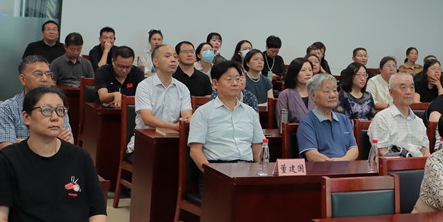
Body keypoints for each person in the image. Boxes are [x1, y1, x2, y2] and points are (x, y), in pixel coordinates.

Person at [0, 86, 107, 222]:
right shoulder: (7, 160)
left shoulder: (81, 157)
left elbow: (98, 212)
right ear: (26, 117)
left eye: (60, 110)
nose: (55, 117)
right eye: (46, 110)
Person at [188, 61, 264, 192]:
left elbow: (257, 146)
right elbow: (195, 151)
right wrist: (213, 175)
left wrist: (261, 172)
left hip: (247, 171)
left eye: (238, 79)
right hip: (217, 171)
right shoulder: (203, 113)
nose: (235, 83)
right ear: (215, 83)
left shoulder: (250, 112)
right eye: (229, 79)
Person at [0, 56, 73, 157]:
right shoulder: (8, 108)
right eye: (38, 74)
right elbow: (7, 149)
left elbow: (69, 144)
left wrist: (19, 141)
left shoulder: (58, 106)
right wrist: (51, 142)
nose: (45, 79)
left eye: (48, 74)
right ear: (23, 79)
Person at [131, 45, 191, 152]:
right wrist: (176, 126)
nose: (173, 60)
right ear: (155, 61)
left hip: (173, 141)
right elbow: (147, 119)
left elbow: (187, 117)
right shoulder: (144, 86)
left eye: (175, 57)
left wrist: (185, 122)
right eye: (167, 56)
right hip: (145, 141)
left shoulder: (183, 88)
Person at [297, 73, 359, 161]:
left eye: (335, 90)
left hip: (345, 166)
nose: (333, 95)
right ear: (313, 95)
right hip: (321, 168)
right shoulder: (307, 121)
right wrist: (333, 164)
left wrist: (342, 161)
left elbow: (354, 149)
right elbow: (312, 155)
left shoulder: (344, 119)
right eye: (327, 91)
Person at [370, 73, 430, 157]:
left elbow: (426, 152)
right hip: (395, 164)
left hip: (419, 164)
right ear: (391, 92)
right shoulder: (381, 118)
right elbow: (382, 152)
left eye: (412, 87)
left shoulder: (419, 122)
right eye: (403, 87)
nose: (409, 92)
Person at [275, 57, 314, 123]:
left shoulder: (317, 93)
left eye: (310, 70)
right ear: (294, 74)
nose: (308, 73)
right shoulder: (285, 95)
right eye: (303, 70)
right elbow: (282, 124)